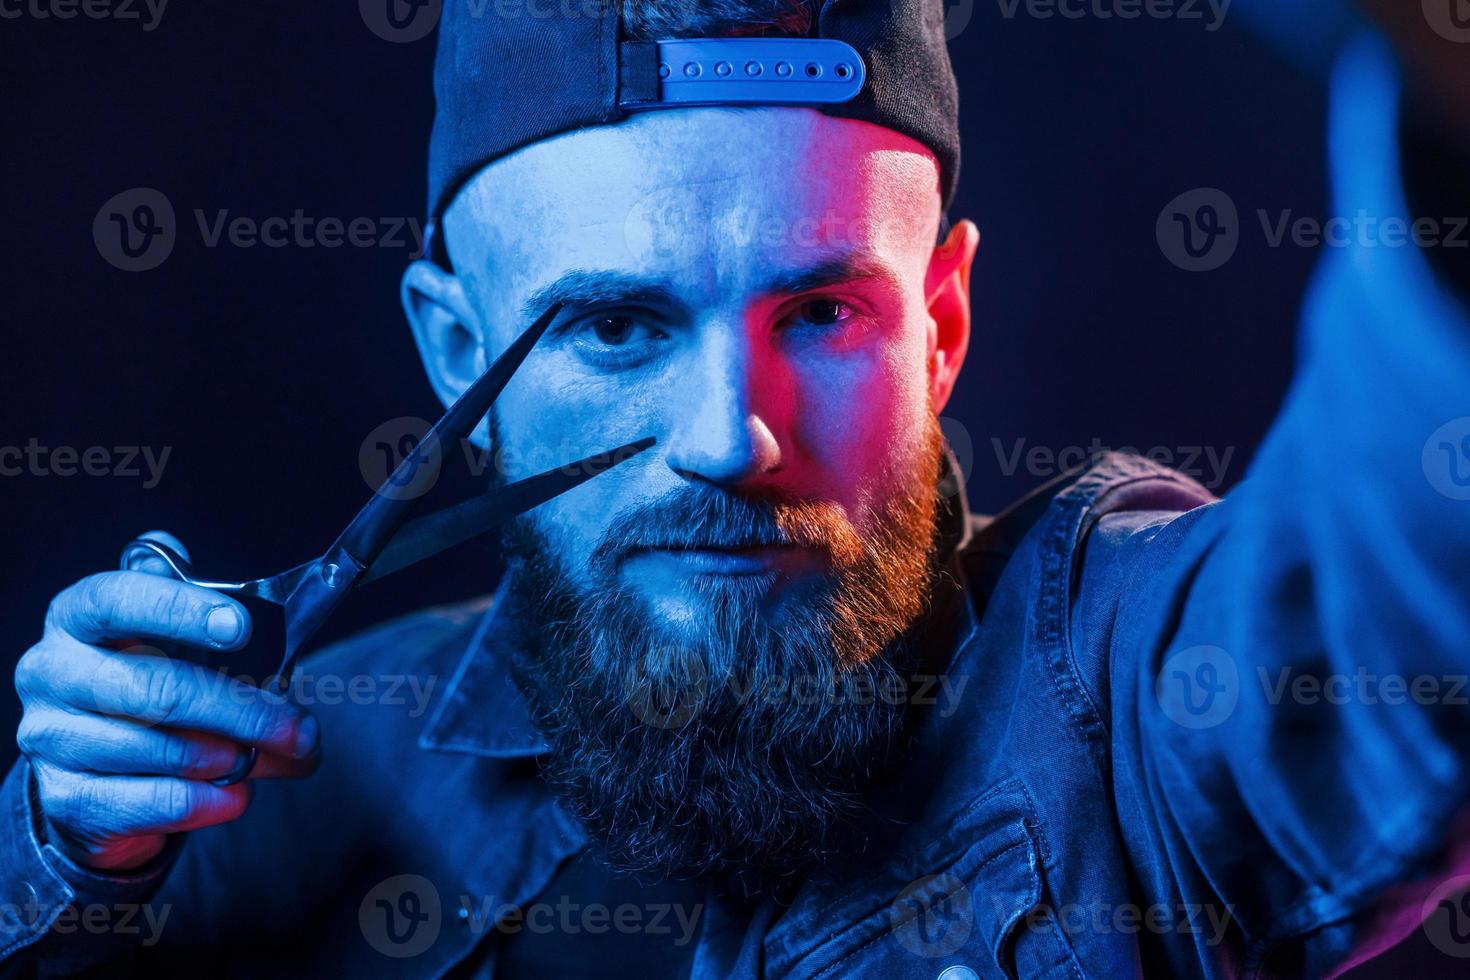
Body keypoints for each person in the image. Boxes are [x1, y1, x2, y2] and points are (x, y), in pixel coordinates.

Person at [3, 0, 1468, 976]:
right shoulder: (296, 764)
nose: (726, 439)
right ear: (459, 354)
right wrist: (75, 855)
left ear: (941, 326)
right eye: (616, 327)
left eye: (820, 315)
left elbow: (1394, 585)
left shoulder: (1133, 710)